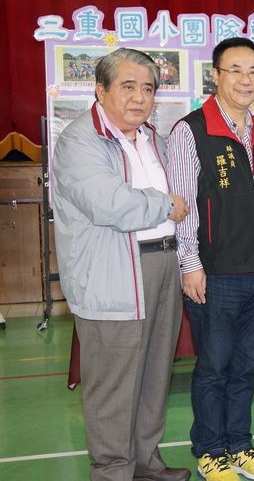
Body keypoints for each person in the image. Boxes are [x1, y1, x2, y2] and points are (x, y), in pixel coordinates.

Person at [52, 48, 191, 481]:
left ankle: (146, 463)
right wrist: (165, 204)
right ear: (101, 90)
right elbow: (110, 204)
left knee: (153, 375)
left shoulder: (153, 138)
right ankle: (113, 472)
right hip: (113, 276)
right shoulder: (79, 140)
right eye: (127, 86)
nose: (139, 97)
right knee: (112, 385)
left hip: (163, 263)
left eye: (147, 88)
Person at [168, 37, 254, 481]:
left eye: (253, 71)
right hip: (215, 273)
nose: (245, 80)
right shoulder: (191, 131)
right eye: (235, 70)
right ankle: (210, 449)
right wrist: (190, 264)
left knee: (247, 367)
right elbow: (183, 205)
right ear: (215, 76)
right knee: (214, 367)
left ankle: (239, 444)